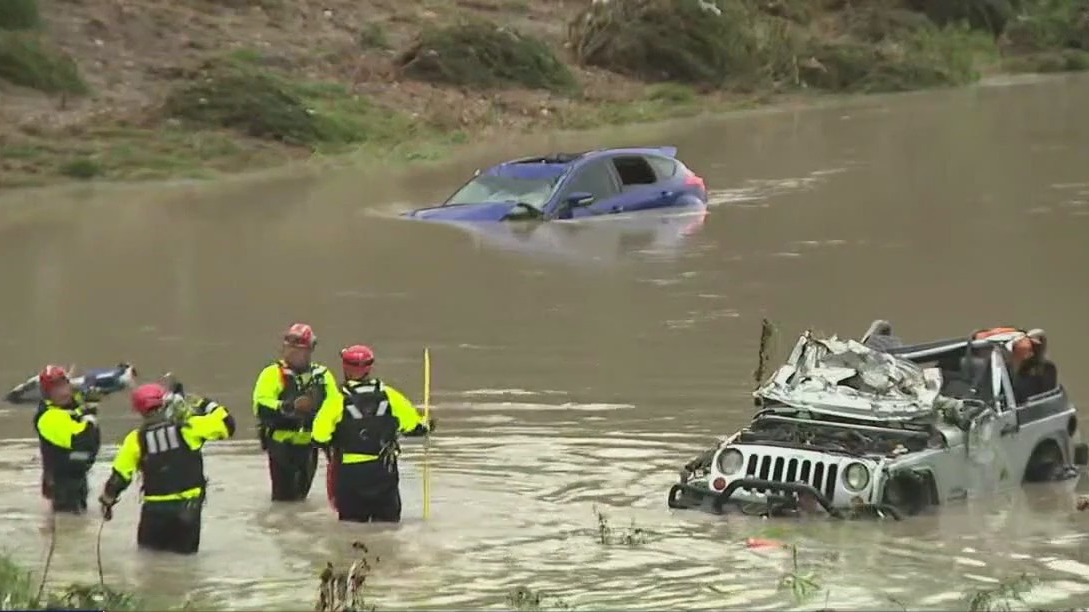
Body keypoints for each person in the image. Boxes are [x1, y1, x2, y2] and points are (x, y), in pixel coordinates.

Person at [97, 382, 235, 554]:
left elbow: (119, 478)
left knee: (149, 562)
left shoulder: (136, 439)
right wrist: (203, 403)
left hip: (154, 513)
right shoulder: (189, 428)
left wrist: (107, 500)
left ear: (139, 411)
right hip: (188, 511)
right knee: (185, 565)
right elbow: (227, 424)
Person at [312, 344, 434, 523]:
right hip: (384, 471)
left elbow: (319, 436)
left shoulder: (336, 400)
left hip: (351, 474)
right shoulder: (390, 395)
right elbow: (413, 427)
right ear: (369, 368)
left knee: (351, 529)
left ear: (345, 367)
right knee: (388, 526)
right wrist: (426, 426)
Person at [252, 323, 339, 502]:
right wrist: (289, 407)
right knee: (283, 497)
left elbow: (335, 405)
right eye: (289, 348)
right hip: (282, 444)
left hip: (309, 445)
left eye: (298, 349)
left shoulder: (322, 376)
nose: (292, 353)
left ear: (310, 350)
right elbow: (261, 405)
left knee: (301, 495)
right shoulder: (272, 374)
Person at [33, 365, 102, 514]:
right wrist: (90, 413)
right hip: (62, 486)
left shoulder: (67, 406)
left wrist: (89, 392)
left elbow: (76, 408)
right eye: (56, 389)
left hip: (77, 477)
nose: (63, 392)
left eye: (64, 385)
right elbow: (82, 440)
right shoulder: (48, 418)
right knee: (68, 526)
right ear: (47, 393)